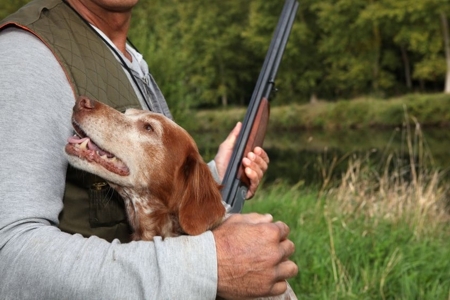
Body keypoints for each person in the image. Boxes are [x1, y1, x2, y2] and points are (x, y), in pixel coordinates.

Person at [0, 0, 298, 299]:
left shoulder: (126, 59)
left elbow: (153, 188)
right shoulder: (27, 54)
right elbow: (8, 256)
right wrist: (208, 266)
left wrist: (214, 174)